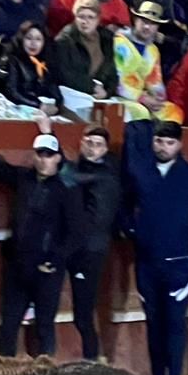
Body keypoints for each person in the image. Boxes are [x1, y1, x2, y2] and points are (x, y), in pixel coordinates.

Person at [0, 114, 79, 357]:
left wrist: (54, 261)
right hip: (18, 264)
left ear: (57, 158)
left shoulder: (65, 190)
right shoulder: (23, 178)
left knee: (44, 325)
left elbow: (75, 233)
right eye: (40, 154)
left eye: (49, 155)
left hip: (45, 270)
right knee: (9, 326)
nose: (44, 160)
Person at [120, 118, 188, 375]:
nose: (163, 147)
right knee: (154, 321)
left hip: (178, 263)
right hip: (147, 261)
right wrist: (131, 230)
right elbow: (125, 204)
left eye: (169, 142)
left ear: (180, 144)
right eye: (159, 141)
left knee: (174, 321)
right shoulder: (141, 171)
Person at [59, 119, 119, 360]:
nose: (92, 147)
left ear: (105, 150)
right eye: (88, 142)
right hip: (79, 247)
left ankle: (91, 364)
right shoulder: (87, 170)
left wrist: (48, 133)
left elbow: (67, 177)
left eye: (98, 144)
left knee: (83, 315)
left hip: (88, 252)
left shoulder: (105, 176)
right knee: (81, 314)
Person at [112, 0, 183, 121]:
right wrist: (142, 98)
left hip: (144, 98)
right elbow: (117, 82)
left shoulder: (153, 50)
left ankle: (161, 140)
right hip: (121, 96)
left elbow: (155, 82)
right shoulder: (119, 42)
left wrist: (157, 100)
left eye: (152, 24)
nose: (147, 27)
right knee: (140, 113)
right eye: (144, 21)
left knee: (174, 113)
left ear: (157, 27)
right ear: (135, 20)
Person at [52, 0, 117, 99]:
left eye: (90, 17)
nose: (85, 21)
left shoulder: (106, 39)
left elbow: (112, 73)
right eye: (81, 16)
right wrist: (92, 87)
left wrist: (107, 92)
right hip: (72, 95)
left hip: (100, 96)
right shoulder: (64, 40)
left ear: (98, 20)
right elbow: (65, 75)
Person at [0, 20, 56, 108]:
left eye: (38, 39)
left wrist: (57, 104)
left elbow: (53, 89)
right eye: (29, 38)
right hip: (15, 108)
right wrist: (39, 105)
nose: (33, 43)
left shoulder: (45, 61)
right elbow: (12, 92)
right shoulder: (12, 59)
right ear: (21, 39)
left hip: (41, 110)